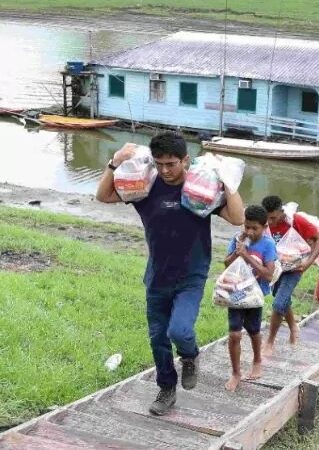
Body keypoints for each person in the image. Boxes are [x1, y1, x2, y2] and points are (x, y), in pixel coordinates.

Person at [95, 133, 245, 416]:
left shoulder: (201, 187)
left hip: (191, 276)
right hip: (157, 277)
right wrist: (114, 163)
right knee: (158, 338)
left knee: (180, 330)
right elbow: (103, 195)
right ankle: (166, 389)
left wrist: (227, 180)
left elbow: (237, 218)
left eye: (172, 164)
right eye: (160, 163)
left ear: (185, 160)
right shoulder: (145, 186)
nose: (165, 170)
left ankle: (189, 356)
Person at [261, 195, 319, 356]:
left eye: (273, 218)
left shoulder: (295, 220)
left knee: (278, 305)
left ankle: (270, 341)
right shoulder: (265, 223)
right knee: (281, 297)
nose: (270, 222)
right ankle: (293, 326)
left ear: (281, 212)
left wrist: (309, 261)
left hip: (295, 268)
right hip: (277, 269)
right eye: (267, 218)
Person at [222, 205, 277, 392]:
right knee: (234, 333)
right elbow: (226, 265)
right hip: (236, 293)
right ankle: (236, 373)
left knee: (254, 330)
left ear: (264, 227)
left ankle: (257, 360)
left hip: (255, 295)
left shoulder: (268, 245)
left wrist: (247, 256)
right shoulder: (238, 240)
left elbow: (268, 275)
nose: (250, 232)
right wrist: (237, 252)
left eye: (255, 228)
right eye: (247, 227)